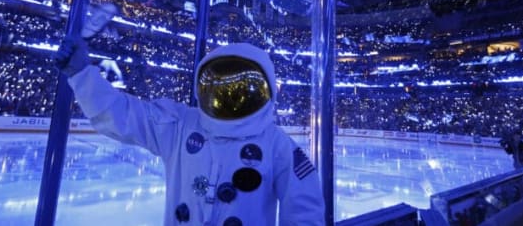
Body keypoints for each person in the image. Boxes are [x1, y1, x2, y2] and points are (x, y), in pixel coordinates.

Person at [55, 36, 325, 225]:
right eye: (219, 88)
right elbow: (120, 114)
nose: (230, 98)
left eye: (242, 89)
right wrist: (82, 74)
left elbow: (304, 214)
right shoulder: (180, 124)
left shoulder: (277, 146)